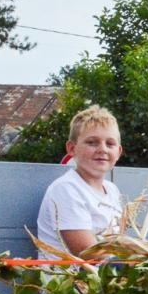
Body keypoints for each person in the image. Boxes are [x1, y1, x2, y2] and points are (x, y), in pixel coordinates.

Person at [36, 105, 127, 256]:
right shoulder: (66, 189)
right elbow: (89, 254)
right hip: (71, 278)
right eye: (92, 142)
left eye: (110, 144)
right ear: (72, 149)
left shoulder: (112, 190)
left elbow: (120, 243)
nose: (102, 149)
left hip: (106, 276)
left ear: (118, 152)